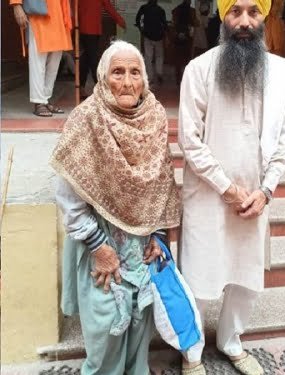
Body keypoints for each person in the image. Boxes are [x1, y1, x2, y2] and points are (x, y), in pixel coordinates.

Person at [52, 40, 181, 374]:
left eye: (135, 72)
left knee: (140, 326)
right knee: (106, 330)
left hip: (141, 245)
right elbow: (67, 193)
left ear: (145, 79)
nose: (127, 82)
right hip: (100, 240)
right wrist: (98, 247)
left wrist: (159, 233)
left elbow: (162, 181)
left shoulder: (154, 117)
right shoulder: (86, 119)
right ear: (102, 77)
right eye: (118, 72)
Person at [177, 0, 285, 373]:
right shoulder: (199, 68)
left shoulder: (281, 72)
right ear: (222, 17)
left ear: (265, 18)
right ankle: (191, 351)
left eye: (253, 12)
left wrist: (266, 191)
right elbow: (189, 139)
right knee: (198, 274)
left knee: (245, 274)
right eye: (235, 12)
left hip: (255, 197)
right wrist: (227, 188)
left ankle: (231, 341)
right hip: (209, 194)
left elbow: (284, 143)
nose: (244, 22)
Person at [10, 0, 72, 116]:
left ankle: (45, 99)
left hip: (59, 15)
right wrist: (16, 5)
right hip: (38, 13)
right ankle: (38, 102)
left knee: (54, 61)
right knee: (38, 60)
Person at [78, 0, 127, 97]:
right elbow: (109, 8)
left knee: (86, 58)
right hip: (92, 29)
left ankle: (81, 88)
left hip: (82, 28)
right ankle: (100, 87)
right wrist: (121, 21)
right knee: (93, 59)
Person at [136, 0, 168, 85]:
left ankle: (150, 77)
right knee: (159, 56)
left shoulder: (144, 8)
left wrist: (141, 30)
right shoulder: (160, 10)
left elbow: (137, 19)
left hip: (148, 35)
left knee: (148, 57)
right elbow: (164, 24)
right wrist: (165, 34)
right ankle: (159, 73)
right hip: (159, 36)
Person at [172, 0, 200, 84]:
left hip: (178, 35)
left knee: (178, 57)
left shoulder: (176, 10)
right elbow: (196, 23)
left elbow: (174, 22)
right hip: (188, 35)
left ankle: (178, 77)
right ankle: (186, 77)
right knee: (187, 57)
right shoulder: (192, 11)